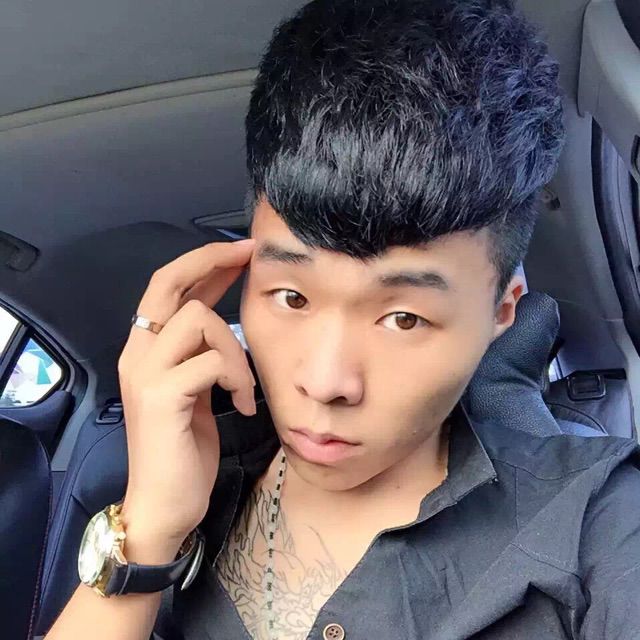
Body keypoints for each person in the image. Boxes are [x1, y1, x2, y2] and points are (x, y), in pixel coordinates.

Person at [45, 1, 640, 639]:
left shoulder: (598, 523)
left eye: (404, 318)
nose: (325, 382)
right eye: (292, 297)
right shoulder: (193, 484)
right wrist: (150, 527)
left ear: (502, 312)